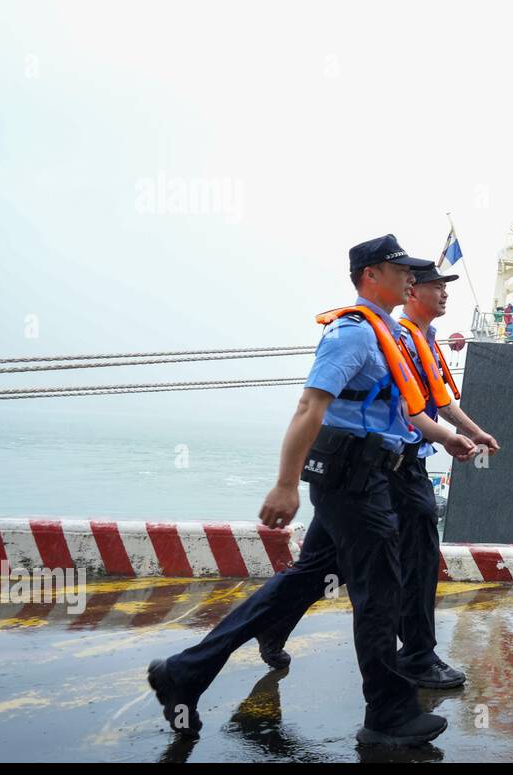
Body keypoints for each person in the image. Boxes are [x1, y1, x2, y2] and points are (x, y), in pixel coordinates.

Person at [146, 234, 467, 748]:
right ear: (370, 275)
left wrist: (453, 437)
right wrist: (284, 485)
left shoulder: (389, 333)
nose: (411, 277)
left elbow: (406, 410)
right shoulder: (353, 333)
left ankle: (186, 672)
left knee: (303, 581)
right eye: (399, 268)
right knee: (379, 594)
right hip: (352, 481)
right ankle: (387, 717)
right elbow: (309, 406)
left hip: (370, 476)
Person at [392, 263, 499, 687]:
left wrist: (473, 430)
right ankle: (417, 656)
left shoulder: (427, 340)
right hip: (394, 464)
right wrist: (453, 438)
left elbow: (441, 398)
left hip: (400, 464)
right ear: (412, 291)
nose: (446, 294)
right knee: (417, 560)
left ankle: (272, 622)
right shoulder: (401, 339)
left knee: (330, 564)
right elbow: (409, 409)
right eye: (437, 287)